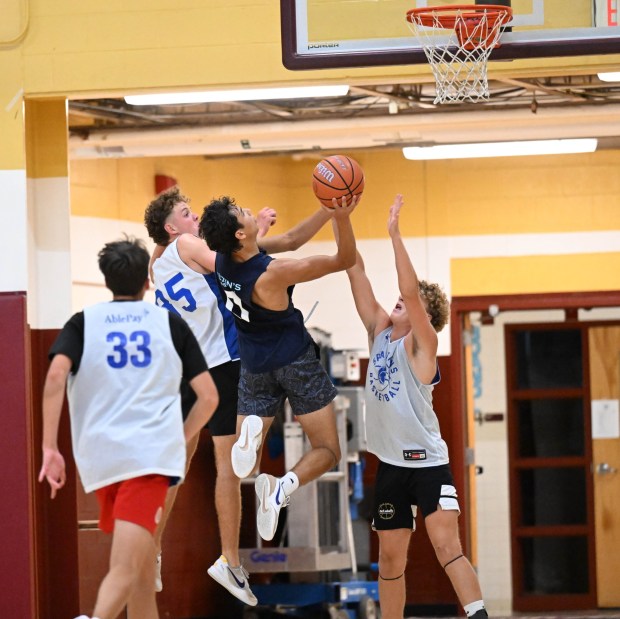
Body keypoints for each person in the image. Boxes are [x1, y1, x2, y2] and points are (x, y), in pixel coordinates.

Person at [143, 186, 335, 604]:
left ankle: (151, 549)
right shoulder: (189, 243)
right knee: (228, 469)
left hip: (182, 368)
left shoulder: (156, 262)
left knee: (178, 465)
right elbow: (232, 265)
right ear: (171, 227)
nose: (194, 218)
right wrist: (252, 235)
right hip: (222, 364)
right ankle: (229, 560)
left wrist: (256, 230)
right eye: (186, 213)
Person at [38, 237, 219, 619]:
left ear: (107, 280)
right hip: (147, 459)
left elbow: (55, 377)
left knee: (139, 570)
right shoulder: (168, 323)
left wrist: (49, 447)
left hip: (101, 461)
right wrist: (178, 438)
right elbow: (209, 398)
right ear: (146, 281)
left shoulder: (83, 321)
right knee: (125, 568)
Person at [341, 194, 488, 619]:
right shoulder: (380, 334)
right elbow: (354, 269)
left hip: (427, 464)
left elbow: (410, 289)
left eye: (409, 302)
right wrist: (340, 217)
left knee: (446, 547)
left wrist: (394, 234)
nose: (398, 300)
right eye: (401, 300)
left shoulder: (423, 346)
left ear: (423, 312)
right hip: (390, 464)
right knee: (390, 559)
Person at [201, 194, 357, 542]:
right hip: (295, 361)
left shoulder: (224, 260)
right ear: (240, 234)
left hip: (254, 365)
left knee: (245, 466)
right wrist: (343, 218)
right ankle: (282, 488)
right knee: (328, 450)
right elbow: (345, 258)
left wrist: (327, 208)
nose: (249, 210)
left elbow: (290, 240)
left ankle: (250, 438)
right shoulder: (274, 273)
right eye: (243, 213)